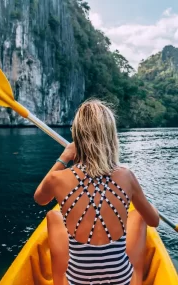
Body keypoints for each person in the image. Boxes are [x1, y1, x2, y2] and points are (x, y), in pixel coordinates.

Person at [34, 99, 160, 285]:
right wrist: (150, 207)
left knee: (54, 216)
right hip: (121, 281)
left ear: (77, 138)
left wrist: (64, 157)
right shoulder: (127, 176)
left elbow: (40, 199)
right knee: (140, 217)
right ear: (110, 137)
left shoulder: (57, 179)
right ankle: (138, 279)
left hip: (78, 281)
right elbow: (154, 221)